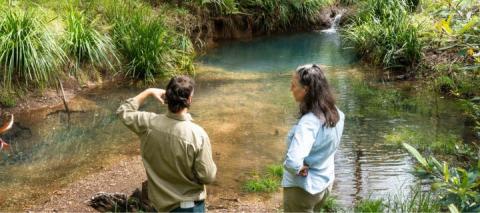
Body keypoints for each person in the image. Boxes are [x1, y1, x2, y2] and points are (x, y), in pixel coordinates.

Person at [117, 75, 217, 212]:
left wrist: (149, 91)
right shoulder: (197, 135)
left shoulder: (148, 123)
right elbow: (207, 176)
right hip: (188, 208)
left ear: (166, 97)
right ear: (189, 99)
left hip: (158, 206)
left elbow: (123, 111)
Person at [282, 64, 345, 212]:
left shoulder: (309, 123)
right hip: (325, 184)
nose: (291, 89)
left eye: (293, 85)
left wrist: (298, 168)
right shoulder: (337, 114)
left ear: (306, 90)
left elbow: (292, 162)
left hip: (303, 190)